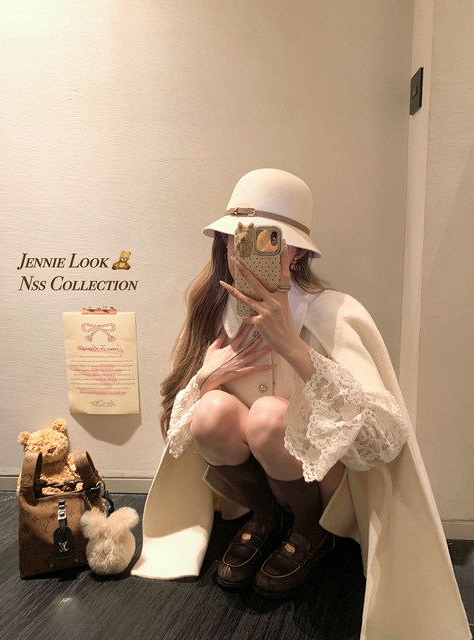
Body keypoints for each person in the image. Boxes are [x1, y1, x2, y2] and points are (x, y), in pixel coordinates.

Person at [132, 169, 471, 639]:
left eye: (269, 241)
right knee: (209, 414)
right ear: (223, 244)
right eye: (235, 238)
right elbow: (178, 427)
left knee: (271, 418)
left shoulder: (333, 312)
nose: (244, 251)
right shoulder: (215, 311)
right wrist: (207, 378)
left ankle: (311, 531)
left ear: (295, 254)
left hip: (324, 488)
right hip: (256, 481)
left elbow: (383, 438)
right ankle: (264, 517)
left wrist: (294, 348)